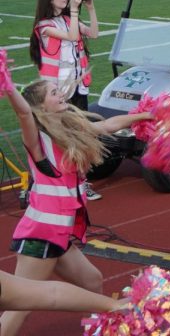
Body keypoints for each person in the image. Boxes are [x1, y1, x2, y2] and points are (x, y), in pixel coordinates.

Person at [1, 80, 153, 335]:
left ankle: (105, 327)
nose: (60, 94)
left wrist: (147, 115)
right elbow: (24, 112)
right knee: (20, 307)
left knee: (91, 281)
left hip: (58, 233)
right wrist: (7, 86)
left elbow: (107, 125)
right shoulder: (37, 136)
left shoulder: (70, 129)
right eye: (53, 92)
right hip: (41, 233)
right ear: (41, 105)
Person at [30, 0, 98, 114]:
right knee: (66, 129)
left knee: (83, 128)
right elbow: (72, 36)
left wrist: (90, 8)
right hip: (59, 88)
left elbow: (94, 34)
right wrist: (73, 9)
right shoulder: (44, 25)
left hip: (79, 84)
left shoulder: (68, 20)